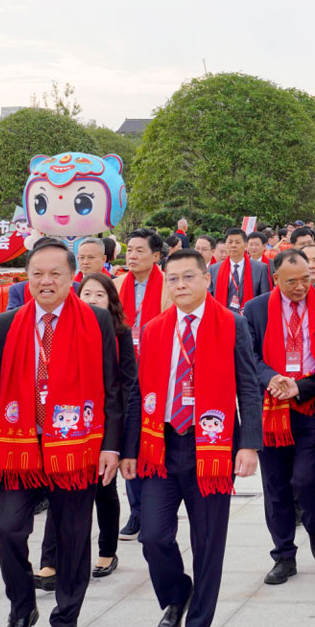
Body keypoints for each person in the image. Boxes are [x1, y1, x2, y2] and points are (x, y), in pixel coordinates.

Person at [0, 241, 122, 627]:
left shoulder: (96, 321)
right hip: (17, 445)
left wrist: (112, 445)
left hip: (77, 447)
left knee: (74, 538)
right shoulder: (6, 323)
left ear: (72, 276)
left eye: (55, 273)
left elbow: (114, 387)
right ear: (27, 275)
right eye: (37, 272)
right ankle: (21, 611)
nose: (45, 281)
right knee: (7, 531)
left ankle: (66, 624)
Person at [123, 246, 265, 627]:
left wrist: (250, 444)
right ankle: (177, 593)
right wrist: (131, 447)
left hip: (213, 444)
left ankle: (199, 625)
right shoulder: (153, 328)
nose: (180, 285)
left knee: (207, 541)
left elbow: (248, 385)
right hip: (161, 442)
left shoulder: (231, 324)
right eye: (173, 279)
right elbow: (138, 391)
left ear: (206, 279)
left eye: (188, 277)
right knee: (152, 536)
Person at [244, 249, 315, 583]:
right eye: (292, 282)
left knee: (307, 479)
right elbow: (251, 356)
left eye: (306, 278)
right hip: (272, 408)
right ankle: (284, 555)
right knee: (276, 486)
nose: (301, 286)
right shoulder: (256, 309)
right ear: (275, 279)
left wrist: (300, 387)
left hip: (311, 403)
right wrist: (272, 379)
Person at [73, 271, 139, 579]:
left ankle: (106, 551)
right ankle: (58, 555)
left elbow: (128, 379)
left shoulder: (120, 331)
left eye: (100, 294)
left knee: (104, 487)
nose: (92, 299)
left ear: (110, 300)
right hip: (73, 419)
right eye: (87, 294)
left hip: (107, 418)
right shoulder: (67, 329)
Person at [115, 227, 167, 541]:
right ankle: (136, 510)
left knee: (154, 441)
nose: (131, 256)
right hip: (125, 374)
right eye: (129, 250)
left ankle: (155, 505)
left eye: (139, 251)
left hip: (157, 375)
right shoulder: (118, 284)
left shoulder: (168, 287)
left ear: (156, 256)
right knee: (129, 440)